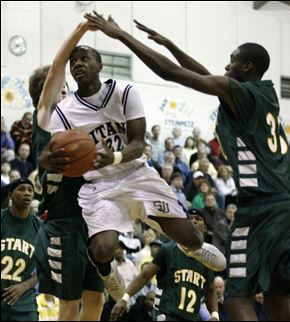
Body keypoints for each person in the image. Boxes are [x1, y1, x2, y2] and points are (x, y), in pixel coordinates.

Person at [85, 12, 290, 321]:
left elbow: (171, 73)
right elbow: (207, 75)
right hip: (288, 206)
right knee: (279, 299)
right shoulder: (264, 94)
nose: (226, 66)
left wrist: (121, 36)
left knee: (238, 298)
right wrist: (171, 44)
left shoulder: (240, 93)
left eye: (232, 60)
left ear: (247, 66)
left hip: (260, 207)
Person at [39, 19, 226, 306]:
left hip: (136, 174)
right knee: (102, 249)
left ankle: (194, 248)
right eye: (73, 61)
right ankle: (105, 270)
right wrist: (48, 159)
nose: (77, 64)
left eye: (84, 58)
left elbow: (139, 144)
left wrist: (112, 157)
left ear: (100, 65)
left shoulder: (125, 93)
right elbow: (48, 154)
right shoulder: (65, 112)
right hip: (100, 185)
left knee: (192, 238)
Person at [28, 21, 105, 321]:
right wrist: (82, 30)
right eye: (62, 89)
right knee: (70, 305)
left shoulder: (81, 122)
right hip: (64, 222)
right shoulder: (45, 118)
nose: (67, 94)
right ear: (43, 96)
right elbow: (58, 65)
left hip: (91, 219)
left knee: (96, 299)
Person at [110, 208, 219, 321]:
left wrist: (215, 315)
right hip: (166, 315)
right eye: (190, 218)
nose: (194, 221)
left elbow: (211, 291)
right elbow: (144, 276)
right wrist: (125, 298)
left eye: (198, 219)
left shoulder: (207, 260)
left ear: (205, 228)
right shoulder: (168, 250)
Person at [1, 178, 41, 321]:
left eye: (30, 190)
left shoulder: (40, 228)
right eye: (21, 189)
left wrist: (25, 285)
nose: (27, 193)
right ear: (11, 195)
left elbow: (47, 266)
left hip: (24, 301)